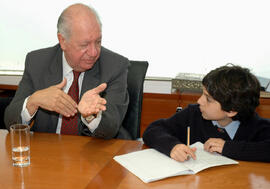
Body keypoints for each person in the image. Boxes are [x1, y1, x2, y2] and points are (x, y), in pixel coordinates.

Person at [4, 3, 131, 139]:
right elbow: (10, 122)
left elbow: (111, 129)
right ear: (63, 41)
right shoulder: (37, 62)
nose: (94, 52)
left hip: (93, 153)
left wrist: (91, 116)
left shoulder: (115, 66)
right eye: (84, 45)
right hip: (48, 152)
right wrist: (33, 101)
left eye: (98, 42)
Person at [143, 65, 270, 162]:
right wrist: (172, 146)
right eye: (202, 94)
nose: (199, 101)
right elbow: (153, 130)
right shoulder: (194, 114)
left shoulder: (255, 126)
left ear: (231, 111)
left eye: (208, 99)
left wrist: (229, 148)